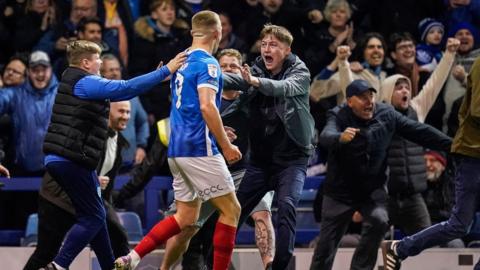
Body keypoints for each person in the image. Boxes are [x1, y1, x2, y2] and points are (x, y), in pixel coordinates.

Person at [40, 39, 185, 270]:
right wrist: (166, 70)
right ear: (86, 63)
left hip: (68, 160)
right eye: (98, 60)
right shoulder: (84, 82)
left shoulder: (75, 81)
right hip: (72, 160)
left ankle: (110, 267)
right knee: (94, 217)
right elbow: (124, 88)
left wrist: (157, 77)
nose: (101, 63)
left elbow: (128, 87)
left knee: (97, 219)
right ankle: (58, 265)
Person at [114, 10, 242, 270]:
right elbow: (207, 106)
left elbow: (191, 106)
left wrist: (216, 131)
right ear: (218, 33)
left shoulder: (181, 60)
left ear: (193, 32)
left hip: (177, 148)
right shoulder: (208, 63)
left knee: (186, 216)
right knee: (232, 211)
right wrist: (225, 145)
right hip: (199, 148)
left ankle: (133, 257)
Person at [309, 79, 451, 270]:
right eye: (362, 98)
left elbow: (420, 131)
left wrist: (453, 144)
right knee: (325, 247)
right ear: (350, 102)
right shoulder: (338, 114)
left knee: (379, 220)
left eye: (371, 96)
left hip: (372, 192)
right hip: (339, 194)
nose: (369, 101)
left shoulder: (387, 114)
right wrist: (339, 137)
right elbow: (326, 135)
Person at [161, 48, 276, 270]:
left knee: (262, 213)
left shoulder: (253, 100)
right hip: (207, 173)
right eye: (224, 67)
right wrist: (217, 133)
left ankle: (270, 266)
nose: (229, 71)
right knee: (186, 228)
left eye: (234, 66)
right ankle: (164, 268)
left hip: (245, 172)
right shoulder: (202, 100)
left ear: (243, 70)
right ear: (216, 71)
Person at [222, 24, 315, 269]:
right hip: (261, 162)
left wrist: (255, 81)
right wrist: (190, 74)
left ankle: (279, 266)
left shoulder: (300, 71)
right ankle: (214, 261)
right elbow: (231, 79)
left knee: (286, 206)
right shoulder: (255, 69)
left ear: (287, 49)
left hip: (292, 159)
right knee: (234, 210)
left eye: (273, 44)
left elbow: (283, 88)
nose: (266, 49)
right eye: (264, 44)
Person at [381, 56, 480, 270]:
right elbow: (477, 110)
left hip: (468, 156)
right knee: (459, 226)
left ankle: (399, 248)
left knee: (459, 226)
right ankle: (399, 248)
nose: (403, 91)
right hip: (472, 155)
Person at [24, 101, 131, 270]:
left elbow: (107, 184)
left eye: (128, 112)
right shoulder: (89, 131)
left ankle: (60, 265)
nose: (125, 116)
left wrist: (106, 203)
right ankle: (59, 265)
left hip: (90, 200)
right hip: (58, 198)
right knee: (46, 252)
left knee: (117, 238)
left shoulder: (119, 141)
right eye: (121, 111)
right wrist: (92, 179)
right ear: (108, 111)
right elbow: (73, 161)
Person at [381, 38, 460, 236]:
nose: (405, 90)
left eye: (406, 87)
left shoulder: (417, 109)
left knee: (427, 242)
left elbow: (434, 83)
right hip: (384, 195)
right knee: (374, 243)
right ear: (387, 93)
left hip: (413, 196)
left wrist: (449, 55)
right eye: (399, 88)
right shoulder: (376, 117)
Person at [99, 54, 149, 168]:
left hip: (128, 162)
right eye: (111, 70)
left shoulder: (131, 96)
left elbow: (143, 122)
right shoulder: (96, 96)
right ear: (101, 72)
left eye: (117, 69)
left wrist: (141, 146)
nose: (115, 73)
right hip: (100, 162)